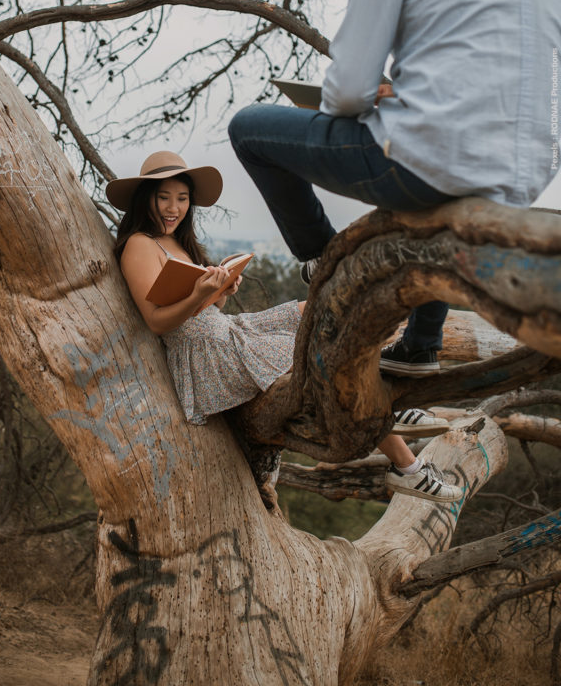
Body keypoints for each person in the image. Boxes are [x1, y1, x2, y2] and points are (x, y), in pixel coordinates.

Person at [229, 0, 561, 377]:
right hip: (525, 174)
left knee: (248, 129)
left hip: (425, 162)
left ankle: (325, 262)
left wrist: (365, 96)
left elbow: (348, 87)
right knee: (440, 189)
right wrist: (407, 95)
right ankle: (422, 344)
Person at [107, 149, 464, 503]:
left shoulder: (178, 243)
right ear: (145, 199)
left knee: (318, 309)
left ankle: (391, 397)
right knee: (318, 351)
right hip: (207, 356)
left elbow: (202, 307)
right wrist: (203, 293)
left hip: (231, 331)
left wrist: (221, 291)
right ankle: (407, 464)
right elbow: (156, 321)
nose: (174, 208)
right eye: (164, 198)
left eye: (182, 199)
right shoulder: (140, 245)